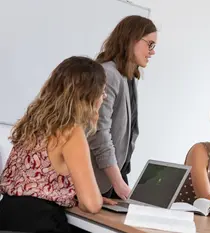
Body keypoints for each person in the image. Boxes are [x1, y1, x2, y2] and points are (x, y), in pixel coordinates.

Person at [0, 56, 116, 232]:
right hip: (40, 222)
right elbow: (92, 205)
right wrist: (95, 199)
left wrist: (74, 196)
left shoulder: (31, 124)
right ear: (87, 95)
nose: (104, 96)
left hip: (7, 217)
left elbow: (36, 183)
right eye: (102, 91)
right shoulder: (71, 131)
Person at [88, 15, 157, 200]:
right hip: (99, 179)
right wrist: (119, 183)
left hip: (115, 175)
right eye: (149, 44)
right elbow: (98, 132)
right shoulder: (108, 73)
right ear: (132, 39)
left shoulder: (128, 76)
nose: (152, 52)